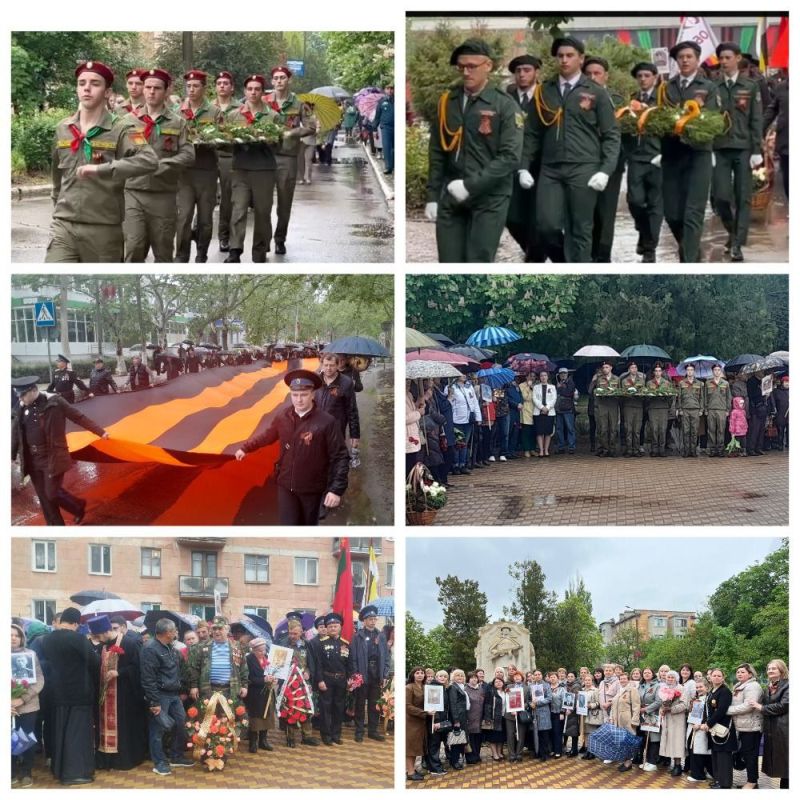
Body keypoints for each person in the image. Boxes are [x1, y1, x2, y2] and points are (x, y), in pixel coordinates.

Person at [520, 36, 620, 263]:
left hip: (584, 168)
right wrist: (523, 167)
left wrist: (605, 170)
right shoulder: (545, 91)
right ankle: (564, 263)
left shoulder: (596, 92)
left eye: (570, 55)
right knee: (546, 226)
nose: (564, 60)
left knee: (581, 229)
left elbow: (611, 135)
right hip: (551, 169)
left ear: (581, 58)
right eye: (560, 56)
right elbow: (532, 132)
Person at [46, 60, 158, 262]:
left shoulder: (123, 128)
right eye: (81, 83)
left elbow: (149, 160)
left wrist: (103, 169)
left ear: (107, 92)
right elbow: (56, 173)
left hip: (103, 228)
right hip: (64, 225)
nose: (87, 88)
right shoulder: (63, 128)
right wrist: (57, 203)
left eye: (95, 84)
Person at [426, 39, 523, 262]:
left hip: (490, 197)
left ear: (488, 66)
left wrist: (470, 185)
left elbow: (510, 157)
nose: (466, 72)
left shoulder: (504, 105)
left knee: (478, 262)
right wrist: (432, 196)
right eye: (462, 67)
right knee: (449, 264)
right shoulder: (447, 102)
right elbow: (438, 151)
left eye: (472, 66)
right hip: (452, 195)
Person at [235, 369, 349, 525]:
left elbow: (340, 456)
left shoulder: (326, 422)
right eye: (295, 395)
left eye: (304, 395)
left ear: (313, 394)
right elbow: (267, 436)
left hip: (312, 488)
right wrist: (246, 448)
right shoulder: (283, 416)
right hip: (285, 484)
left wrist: (336, 489)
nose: (299, 400)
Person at [11, 375, 109, 525]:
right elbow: (16, 432)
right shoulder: (21, 407)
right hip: (32, 459)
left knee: (51, 493)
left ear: (32, 390)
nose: (20, 399)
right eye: (19, 395)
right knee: (44, 498)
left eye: (23, 395)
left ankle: (77, 506)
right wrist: (10, 455)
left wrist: (100, 432)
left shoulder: (55, 402)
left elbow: (78, 417)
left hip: (52, 457)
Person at [123, 68, 194, 262]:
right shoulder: (128, 122)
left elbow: (188, 154)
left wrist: (166, 164)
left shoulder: (178, 123)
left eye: (157, 88)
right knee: (134, 245)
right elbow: (117, 155)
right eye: (148, 87)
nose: (151, 92)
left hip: (164, 194)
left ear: (166, 91)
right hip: (133, 191)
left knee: (163, 250)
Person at [660, 41, 720, 262]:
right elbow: (658, 116)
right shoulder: (666, 87)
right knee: (672, 214)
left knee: (692, 213)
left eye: (689, 56)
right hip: (671, 156)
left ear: (697, 59)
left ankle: (690, 262)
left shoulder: (709, 87)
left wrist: (690, 129)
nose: (684, 60)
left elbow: (713, 119)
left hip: (698, 155)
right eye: (681, 57)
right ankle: (688, 247)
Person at [712, 42, 763, 262]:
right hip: (720, 148)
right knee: (720, 197)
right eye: (721, 58)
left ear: (738, 58)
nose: (723, 62)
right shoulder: (713, 87)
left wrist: (757, 150)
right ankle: (732, 233)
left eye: (727, 58)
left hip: (743, 148)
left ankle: (737, 245)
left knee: (743, 197)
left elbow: (756, 118)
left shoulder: (750, 86)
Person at [40, 608, 100, 784]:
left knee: (60, 732)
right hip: (78, 694)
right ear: (76, 623)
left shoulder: (48, 639)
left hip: (57, 692)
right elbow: (94, 662)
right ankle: (75, 773)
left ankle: (58, 769)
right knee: (77, 734)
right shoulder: (78, 638)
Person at [224, 74, 279, 263]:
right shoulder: (234, 115)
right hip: (241, 169)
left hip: (264, 170)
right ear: (244, 91)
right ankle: (235, 250)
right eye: (250, 89)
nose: (253, 92)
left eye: (257, 89)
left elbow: (281, 144)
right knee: (238, 210)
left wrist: (271, 140)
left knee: (262, 212)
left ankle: (260, 249)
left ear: (262, 92)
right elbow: (225, 140)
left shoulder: (272, 116)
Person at [264, 65, 316, 254]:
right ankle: (264, 240)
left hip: (287, 157)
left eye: (282, 78)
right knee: (263, 203)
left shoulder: (298, 104)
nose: (279, 81)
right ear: (272, 81)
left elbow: (311, 127)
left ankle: (280, 239)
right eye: (276, 78)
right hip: (265, 157)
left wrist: (293, 132)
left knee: (284, 203)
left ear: (289, 80)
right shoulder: (264, 101)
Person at [582, 55, 627, 263]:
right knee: (585, 212)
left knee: (605, 213)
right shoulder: (578, 97)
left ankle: (602, 257)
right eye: (588, 73)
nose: (592, 77)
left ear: (605, 75)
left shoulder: (616, 99)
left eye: (597, 73)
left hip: (610, 163)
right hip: (583, 162)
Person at [175, 69, 220, 263]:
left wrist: (208, 140)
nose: (191, 90)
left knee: (205, 219)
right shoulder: (177, 113)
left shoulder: (214, 112)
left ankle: (202, 253)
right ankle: (181, 255)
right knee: (183, 217)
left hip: (206, 170)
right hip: (184, 173)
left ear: (204, 88)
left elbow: (222, 139)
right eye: (188, 86)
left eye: (195, 86)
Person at [139, 618, 194, 776]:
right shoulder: (150, 649)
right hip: (160, 695)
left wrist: (183, 688)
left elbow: (177, 670)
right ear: (167, 633)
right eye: (175, 630)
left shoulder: (170, 648)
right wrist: (154, 701)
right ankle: (159, 762)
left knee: (181, 723)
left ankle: (176, 756)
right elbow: (148, 678)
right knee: (158, 729)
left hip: (174, 694)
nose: (177, 632)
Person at [505, 54, 544, 259]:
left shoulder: (546, 97)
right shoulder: (507, 98)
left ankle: (535, 257)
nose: (522, 74)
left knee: (538, 218)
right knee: (512, 218)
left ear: (536, 72)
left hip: (541, 165)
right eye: (518, 71)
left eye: (527, 70)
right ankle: (532, 249)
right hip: (513, 165)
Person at [96, 616, 146, 771]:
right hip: (106, 695)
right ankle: (108, 760)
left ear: (107, 631)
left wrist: (119, 672)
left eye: (100, 635)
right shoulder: (103, 646)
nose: (99, 639)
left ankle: (125, 759)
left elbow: (137, 668)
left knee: (124, 726)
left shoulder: (129, 643)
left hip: (125, 694)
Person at [625, 62, 663, 262]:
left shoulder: (663, 99)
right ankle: (643, 230)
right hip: (637, 157)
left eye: (647, 75)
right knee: (635, 201)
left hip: (657, 157)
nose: (643, 79)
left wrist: (665, 152)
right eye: (639, 76)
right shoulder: (632, 100)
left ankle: (650, 249)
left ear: (655, 77)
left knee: (656, 205)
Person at [275, 614, 320, 747]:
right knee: (289, 709)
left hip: (303, 683)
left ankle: (307, 736)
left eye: (295, 633)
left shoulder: (307, 645)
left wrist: (308, 672)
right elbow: (276, 665)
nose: (292, 636)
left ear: (301, 632)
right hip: (287, 683)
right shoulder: (282, 644)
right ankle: (290, 738)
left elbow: (311, 662)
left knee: (306, 707)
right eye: (290, 633)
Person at [349, 605, 390, 743]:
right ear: (364, 621)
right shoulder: (357, 637)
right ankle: (359, 731)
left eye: (374, 619)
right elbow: (353, 658)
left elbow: (386, 657)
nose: (373, 621)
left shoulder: (381, 636)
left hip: (376, 674)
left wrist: (384, 675)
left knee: (374, 705)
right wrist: (356, 675)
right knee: (360, 704)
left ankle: (372, 731)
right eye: (370, 619)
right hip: (362, 673)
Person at [11, 623, 44, 788]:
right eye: (10, 635)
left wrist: (22, 699)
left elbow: (39, 680)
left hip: (28, 705)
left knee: (25, 739)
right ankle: (9, 772)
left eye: (16, 635)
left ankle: (26, 772)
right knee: (9, 739)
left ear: (22, 637)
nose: (13, 638)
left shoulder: (31, 654)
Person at [310, 611, 349, 746]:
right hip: (326, 680)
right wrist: (320, 680)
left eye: (335, 625)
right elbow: (318, 664)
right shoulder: (321, 643)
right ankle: (326, 735)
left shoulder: (346, 643)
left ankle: (336, 734)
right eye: (330, 626)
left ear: (340, 627)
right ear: (326, 628)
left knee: (339, 708)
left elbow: (348, 664)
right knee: (326, 709)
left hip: (341, 681)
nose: (333, 628)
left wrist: (349, 680)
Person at [187, 615, 248, 701]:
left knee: (230, 714)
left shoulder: (237, 646)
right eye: (214, 629)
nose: (216, 631)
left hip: (231, 690)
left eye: (220, 629)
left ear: (227, 630)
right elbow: (194, 669)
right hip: (208, 690)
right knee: (209, 714)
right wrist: (194, 686)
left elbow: (243, 668)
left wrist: (244, 686)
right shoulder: (201, 646)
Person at [751, 659, 788, 788]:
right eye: (769, 669)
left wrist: (761, 708)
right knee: (781, 764)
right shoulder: (769, 686)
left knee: (787, 763)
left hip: (784, 730)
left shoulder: (788, 685)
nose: (770, 671)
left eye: (774, 668)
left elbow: (784, 705)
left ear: (782, 670)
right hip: (772, 729)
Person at [726, 663, 763, 789]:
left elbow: (748, 706)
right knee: (746, 754)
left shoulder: (753, 686)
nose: (739, 674)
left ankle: (752, 782)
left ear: (750, 674)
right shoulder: (739, 686)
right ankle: (752, 780)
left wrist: (727, 710)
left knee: (750, 755)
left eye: (742, 672)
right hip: (742, 726)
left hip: (751, 727)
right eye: (738, 672)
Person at [213, 71, 237, 252]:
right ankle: (198, 229)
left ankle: (224, 236)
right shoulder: (205, 107)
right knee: (204, 197)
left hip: (228, 156)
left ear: (232, 87)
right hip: (206, 157)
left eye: (226, 83)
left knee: (227, 199)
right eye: (219, 83)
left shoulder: (240, 108)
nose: (222, 86)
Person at [701, 667, 737, 789]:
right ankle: (718, 780)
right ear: (710, 677)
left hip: (723, 729)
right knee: (716, 755)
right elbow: (708, 709)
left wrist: (708, 723)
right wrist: (705, 722)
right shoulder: (712, 691)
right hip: (713, 728)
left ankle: (725, 783)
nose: (716, 677)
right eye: (714, 675)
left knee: (724, 757)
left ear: (723, 678)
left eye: (719, 676)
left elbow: (721, 710)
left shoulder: (725, 691)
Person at [316, 353, 360, 451]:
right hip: (317, 427)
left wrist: (355, 435)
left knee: (336, 456)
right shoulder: (316, 381)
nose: (328, 368)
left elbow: (352, 409)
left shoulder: (346, 383)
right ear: (322, 365)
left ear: (337, 365)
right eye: (326, 365)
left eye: (331, 365)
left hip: (337, 429)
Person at [244, 636, 276, 753]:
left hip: (267, 693)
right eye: (259, 650)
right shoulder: (248, 660)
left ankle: (263, 741)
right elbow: (249, 678)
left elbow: (273, 672)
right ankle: (253, 742)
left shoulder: (268, 658)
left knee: (267, 716)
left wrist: (273, 679)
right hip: (255, 694)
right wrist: (263, 680)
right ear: (253, 650)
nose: (263, 653)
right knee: (255, 718)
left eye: (264, 650)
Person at [659, 670, 689, 777]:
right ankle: (673, 765)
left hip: (677, 719)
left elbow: (685, 705)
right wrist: (663, 709)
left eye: (672, 677)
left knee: (677, 742)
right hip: (667, 719)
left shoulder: (681, 689)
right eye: (668, 677)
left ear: (676, 678)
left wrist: (671, 709)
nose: (670, 679)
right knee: (670, 741)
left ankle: (678, 766)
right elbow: (661, 703)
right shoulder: (664, 689)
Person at [762, 76, 788, 200]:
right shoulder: (782, 87)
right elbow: (772, 110)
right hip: (786, 142)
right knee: (788, 181)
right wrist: (759, 128)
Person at [611, 671, 641, 771]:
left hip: (628, 721)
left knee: (628, 742)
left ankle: (629, 763)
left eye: (624, 678)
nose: (622, 680)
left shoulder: (632, 690)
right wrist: (612, 717)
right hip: (618, 721)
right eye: (621, 679)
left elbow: (636, 706)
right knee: (622, 742)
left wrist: (634, 721)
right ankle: (625, 761)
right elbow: (613, 706)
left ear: (628, 679)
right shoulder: (619, 691)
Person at [591, 361, 620, 457]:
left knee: (613, 428)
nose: (605, 369)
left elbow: (620, 392)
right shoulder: (599, 379)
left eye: (607, 367)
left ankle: (613, 449)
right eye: (603, 367)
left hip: (613, 405)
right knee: (603, 428)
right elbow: (592, 391)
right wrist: (593, 381)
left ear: (611, 368)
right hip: (602, 405)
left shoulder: (617, 379)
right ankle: (605, 449)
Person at [686, 677, 712, 782]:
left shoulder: (708, 698)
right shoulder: (697, 698)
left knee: (700, 751)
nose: (699, 689)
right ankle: (696, 772)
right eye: (697, 687)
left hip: (702, 728)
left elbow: (709, 714)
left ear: (707, 687)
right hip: (693, 727)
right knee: (693, 749)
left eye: (701, 687)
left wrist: (701, 724)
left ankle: (699, 775)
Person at [703, 363, 731, 457]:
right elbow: (705, 397)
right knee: (711, 430)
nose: (717, 372)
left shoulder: (725, 383)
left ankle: (720, 449)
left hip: (722, 410)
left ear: (721, 371)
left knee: (721, 430)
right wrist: (705, 408)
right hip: (711, 409)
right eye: (715, 370)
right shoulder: (708, 383)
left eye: (719, 370)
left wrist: (728, 409)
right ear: (712, 371)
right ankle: (712, 449)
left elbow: (728, 397)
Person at [427, 669, 451, 773]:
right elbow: (433, 706)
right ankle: (435, 768)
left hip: (442, 720)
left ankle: (434, 766)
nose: (443, 678)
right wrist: (436, 721)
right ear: (436, 677)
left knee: (436, 744)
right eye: (440, 676)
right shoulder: (434, 688)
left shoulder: (443, 688)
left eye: (445, 677)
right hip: (435, 721)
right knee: (434, 745)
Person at [619, 361, 645, 457]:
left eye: (635, 368)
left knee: (637, 429)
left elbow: (644, 393)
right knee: (628, 429)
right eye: (632, 368)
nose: (634, 369)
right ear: (629, 369)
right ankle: (629, 449)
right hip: (628, 406)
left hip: (638, 406)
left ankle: (636, 449)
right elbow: (621, 394)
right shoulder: (624, 381)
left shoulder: (641, 381)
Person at [638, 667, 662, 771]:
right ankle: (646, 760)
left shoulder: (658, 685)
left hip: (653, 714)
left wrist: (646, 709)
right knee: (646, 737)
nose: (646, 674)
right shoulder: (641, 685)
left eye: (649, 672)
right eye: (645, 672)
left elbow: (659, 701)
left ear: (653, 674)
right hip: (642, 714)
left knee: (653, 738)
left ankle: (652, 762)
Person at [677, 364, 703, 456]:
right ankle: (686, 451)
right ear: (686, 372)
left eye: (691, 370)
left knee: (694, 431)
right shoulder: (681, 383)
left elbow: (702, 398)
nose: (690, 372)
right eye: (688, 370)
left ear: (694, 371)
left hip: (695, 410)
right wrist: (679, 409)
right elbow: (679, 397)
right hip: (685, 409)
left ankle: (693, 451)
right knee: (686, 431)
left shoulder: (699, 383)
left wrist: (701, 409)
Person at [646, 362, 672, 456]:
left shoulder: (667, 383)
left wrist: (667, 405)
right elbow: (646, 397)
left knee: (662, 429)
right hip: (653, 408)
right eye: (656, 371)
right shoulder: (649, 383)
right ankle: (654, 449)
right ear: (653, 372)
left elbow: (671, 397)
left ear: (662, 372)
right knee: (654, 429)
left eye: (659, 371)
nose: (658, 373)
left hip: (663, 408)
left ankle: (661, 450)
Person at [406, 667, 427, 781]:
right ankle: (410, 772)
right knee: (410, 748)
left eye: (422, 673)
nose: (420, 675)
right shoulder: (409, 687)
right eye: (417, 673)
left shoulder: (424, 687)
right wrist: (424, 712)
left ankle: (412, 769)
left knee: (415, 747)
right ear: (413, 675)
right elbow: (407, 706)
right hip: (411, 721)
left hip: (421, 721)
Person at [372, 84, 395, 175]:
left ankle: (393, 165)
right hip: (385, 127)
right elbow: (377, 117)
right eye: (388, 88)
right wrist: (374, 129)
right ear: (385, 90)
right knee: (386, 147)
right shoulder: (381, 102)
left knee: (395, 148)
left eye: (392, 88)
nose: (390, 90)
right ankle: (388, 167)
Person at [532, 370, 556, 457]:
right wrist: (542, 407)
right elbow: (534, 399)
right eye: (541, 375)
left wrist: (547, 408)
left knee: (548, 432)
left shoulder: (552, 387)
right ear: (540, 377)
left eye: (545, 375)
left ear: (547, 377)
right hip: (538, 412)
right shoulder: (536, 387)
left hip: (550, 412)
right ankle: (541, 450)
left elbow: (554, 399)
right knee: (539, 432)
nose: (543, 377)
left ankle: (546, 450)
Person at [554, 368, 578, 454]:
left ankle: (571, 447)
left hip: (568, 408)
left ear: (567, 374)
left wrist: (559, 388)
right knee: (559, 428)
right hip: (558, 408)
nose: (563, 375)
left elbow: (568, 393)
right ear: (559, 375)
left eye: (564, 373)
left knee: (570, 428)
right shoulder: (558, 383)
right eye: (561, 374)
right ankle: (561, 447)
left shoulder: (571, 382)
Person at [581, 673, 603, 760]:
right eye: (586, 680)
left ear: (592, 681)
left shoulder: (595, 690)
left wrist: (591, 705)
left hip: (592, 714)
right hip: (583, 714)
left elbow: (599, 703)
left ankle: (592, 752)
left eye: (589, 680)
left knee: (592, 733)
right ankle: (587, 750)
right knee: (585, 733)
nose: (587, 682)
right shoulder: (582, 690)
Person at [746, 374, 769, 455]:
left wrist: (766, 394)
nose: (762, 373)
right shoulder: (751, 381)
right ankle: (751, 448)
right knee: (754, 430)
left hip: (763, 408)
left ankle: (759, 447)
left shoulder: (764, 381)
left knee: (761, 429)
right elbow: (750, 395)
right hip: (755, 409)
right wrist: (761, 392)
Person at [520, 373, 536, 457]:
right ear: (526, 377)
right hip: (526, 410)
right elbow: (525, 397)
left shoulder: (536, 386)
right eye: (530, 376)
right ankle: (526, 449)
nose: (532, 378)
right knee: (526, 431)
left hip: (535, 410)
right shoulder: (522, 385)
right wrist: (529, 388)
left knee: (534, 431)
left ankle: (532, 449)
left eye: (533, 376)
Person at [773, 375, 789, 450]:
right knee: (780, 430)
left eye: (788, 382)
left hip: (789, 413)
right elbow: (774, 402)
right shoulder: (777, 391)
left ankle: (789, 444)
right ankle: (779, 444)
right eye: (786, 382)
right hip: (780, 413)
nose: (787, 383)